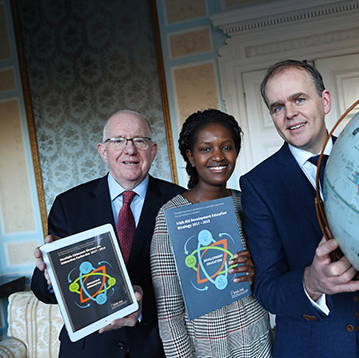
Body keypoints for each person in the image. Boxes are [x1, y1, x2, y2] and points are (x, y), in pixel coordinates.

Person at [239, 60, 359, 357]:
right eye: (277, 107)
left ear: (324, 101)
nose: (290, 114)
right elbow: (267, 288)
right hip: (315, 346)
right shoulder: (259, 185)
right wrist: (311, 282)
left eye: (299, 99)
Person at [31, 110, 186, 358]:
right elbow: (40, 289)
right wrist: (51, 274)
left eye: (139, 140)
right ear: (103, 151)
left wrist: (146, 306)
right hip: (89, 350)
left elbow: (191, 283)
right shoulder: (69, 205)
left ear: (153, 150)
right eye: (118, 140)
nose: (130, 149)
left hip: (156, 348)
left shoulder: (179, 202)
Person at [150, 109, 273, 358]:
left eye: (226, 147)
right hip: (205, 348)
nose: (218, 156)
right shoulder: (170, 216)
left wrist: (257, 271)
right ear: (191, 157)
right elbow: (169, 313)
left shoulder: (247, 203)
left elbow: (275, 274)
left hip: (258, 340)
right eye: (206, 149)